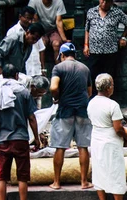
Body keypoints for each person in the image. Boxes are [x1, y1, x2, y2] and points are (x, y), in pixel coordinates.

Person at [0, 64, 42, 200]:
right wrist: (36, 138)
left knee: (1, 176)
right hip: (21, 139)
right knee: (23, 176)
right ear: (17, 75)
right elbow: (32, 117)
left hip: (2, 140)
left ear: (2, 75)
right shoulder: (23, 93)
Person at [87, 74, 127, 200]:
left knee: (99, 173)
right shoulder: (112, 105)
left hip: (96, 140)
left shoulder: (91, 103)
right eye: (112, 84)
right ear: (108, 88)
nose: (113, 87)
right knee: (115, 174)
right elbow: (118, 129)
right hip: (110, 142)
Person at [49, 43, 93, 190]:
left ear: (62, 55)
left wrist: (57, 97)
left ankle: (56, 182)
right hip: (82, 111)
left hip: (65, 111)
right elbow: (89, 92)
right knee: (83, 147)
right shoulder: (84, 68)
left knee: (60, 147)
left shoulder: (58, 68)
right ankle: (84, 182)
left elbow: (54, 87)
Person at [84, 0, 127, 88]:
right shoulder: (91, 12)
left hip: (110, 51)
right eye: (103, 0)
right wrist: (86, 45)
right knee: (92, 74)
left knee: (109, 77)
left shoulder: (116, 12)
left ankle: (108, 96)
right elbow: (87, 29)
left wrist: (123, 37)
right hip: (94, 50)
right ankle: (94, 97)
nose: (104, 3)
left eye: (107, 1)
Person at [6, 6, 47, 77]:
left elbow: (41, 50)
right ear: (20, 17)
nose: (30, 21)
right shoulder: (12, 32)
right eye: (27, 18)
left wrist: (43, 69)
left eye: (31, 19)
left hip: (36, 69)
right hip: (21, 71)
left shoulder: (35, 30)